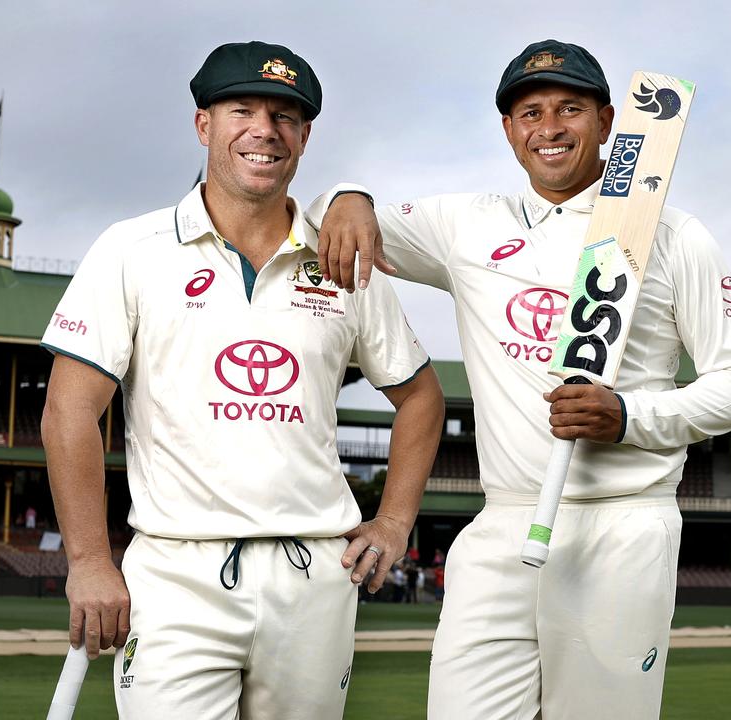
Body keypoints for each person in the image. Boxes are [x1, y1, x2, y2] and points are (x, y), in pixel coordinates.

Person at [307, 39, 731, 719]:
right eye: (530, 113)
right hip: (502, 522)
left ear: (609, 120)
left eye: (569, 109)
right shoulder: (466, 224)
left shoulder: (676, 236)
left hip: (620, 526)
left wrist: (629, 416)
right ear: (508, 129)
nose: (549, 128)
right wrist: (347, 195)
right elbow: (339, 219)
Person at [40, 40, 443, 720]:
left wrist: (396, 520)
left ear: (305, 136)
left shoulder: (339, 258)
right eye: (242, 110)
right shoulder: (131, 250)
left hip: (315, 573)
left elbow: (421, 396)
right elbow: (69, 412)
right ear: (205, 125)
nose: (265, 130)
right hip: (177, 573)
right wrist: (88, 561)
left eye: (285, 116)